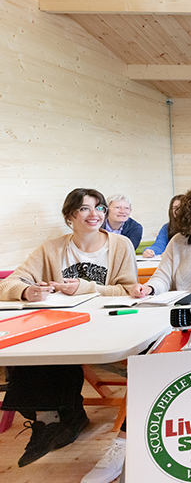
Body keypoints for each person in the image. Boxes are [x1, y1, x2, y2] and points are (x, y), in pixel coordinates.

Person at [83, 183, 191, 483]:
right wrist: (149, 289)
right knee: (149, 372)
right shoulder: (178, 242)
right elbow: (162, 278)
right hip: (179, 323)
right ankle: (122, 447)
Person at [0, 188, 137, 468]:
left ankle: (60, 417)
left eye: (99, 208)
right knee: (35, 346)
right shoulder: (51, 248)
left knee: (57, 346)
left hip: (106, 324)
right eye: (85, 209)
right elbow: (8, 284)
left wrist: (85, 288)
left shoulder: (120, 245)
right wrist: (28, 292)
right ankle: (50, 419)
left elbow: (127, 290)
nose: (94, 214)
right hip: (63, 322)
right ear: (69, 216)